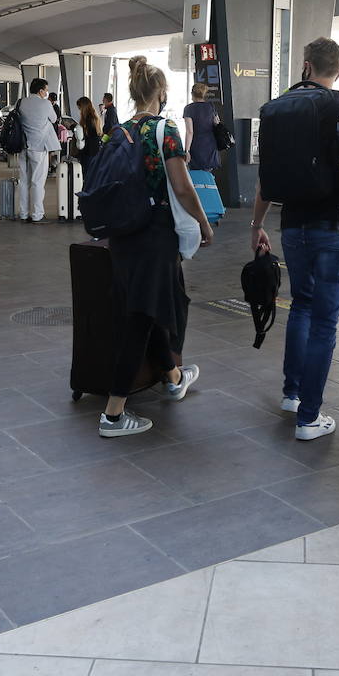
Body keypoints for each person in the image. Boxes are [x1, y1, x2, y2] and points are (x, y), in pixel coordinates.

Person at [98, 56, 213, 437]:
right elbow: (182, 186)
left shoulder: (118, 130)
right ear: (161, 93)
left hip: (123, 234)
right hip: (154, 235)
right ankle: (113, 415)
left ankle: (175, 377)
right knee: (140, 317)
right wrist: (202, 221)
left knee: (148, 306)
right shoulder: (164, 131)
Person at [250, 37, 339, 442]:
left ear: (306, 66)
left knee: (301, 306)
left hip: (292, 227)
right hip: (334, 227)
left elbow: (265, 181)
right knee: (325, 322)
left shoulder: (278, 109)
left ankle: (292, 394)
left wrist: (256, 224)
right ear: (337, 71)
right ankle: (310, 418)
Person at [17, 78, 59, 223]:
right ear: (41, 91)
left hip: (23, 146)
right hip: (39, 147)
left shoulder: (21, 102)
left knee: (23, 181)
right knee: (37, 181)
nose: (47, 92)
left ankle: (23, 213)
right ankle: (37, 214)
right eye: (46, 90)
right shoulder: (46, 103)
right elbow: (54, 119)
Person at [182, 82, 222, 173]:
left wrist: (187, 151)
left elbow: (189, 132)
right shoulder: (211, 106)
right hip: (210, 145)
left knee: (195, 175)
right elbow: (217, 122)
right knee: (208, 174)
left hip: (196, 146)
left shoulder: (188, 109)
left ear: (192, 94)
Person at [76, 96, 102, 175]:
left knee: (87, 173)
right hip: (94, 149)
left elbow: (88, 134)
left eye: (79, 108)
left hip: (89, 150)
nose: (79, 110)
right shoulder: (94, 117)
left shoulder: (88, 119)